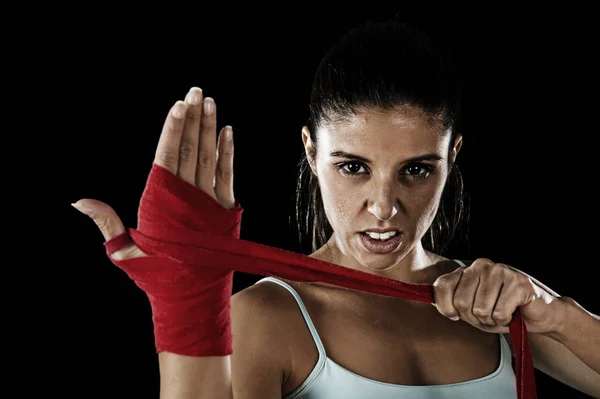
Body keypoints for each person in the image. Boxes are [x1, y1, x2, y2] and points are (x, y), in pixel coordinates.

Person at [72, 20, 600, 398]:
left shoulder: (492, 307)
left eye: (416, 169)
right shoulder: (266, 320)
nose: (384, 207)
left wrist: (555, 312)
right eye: (354, 167)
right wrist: (188, 308)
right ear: (311, 152)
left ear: (452, 155)